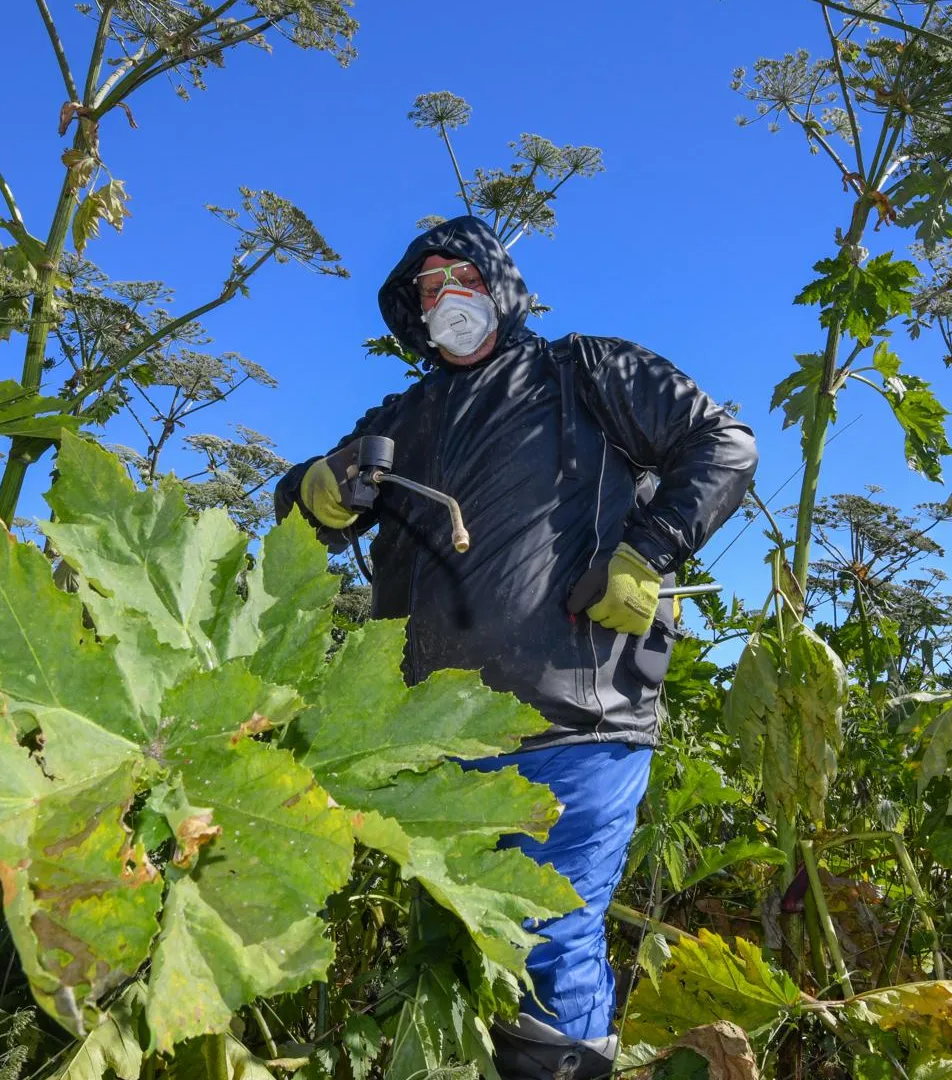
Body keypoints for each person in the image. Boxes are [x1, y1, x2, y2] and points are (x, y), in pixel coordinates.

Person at [274, 216, 757, 1079]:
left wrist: (647, 551)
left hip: (574, 718)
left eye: (459, 276)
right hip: (428, 739)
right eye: (425, 290)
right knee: (455, 960)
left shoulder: (583, 372)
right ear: (410, 315)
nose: (443, 298)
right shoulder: (402, 418)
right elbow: (306, 511)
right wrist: (309, 490)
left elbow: (724, 444)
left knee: (544, 942)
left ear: (499, 283)